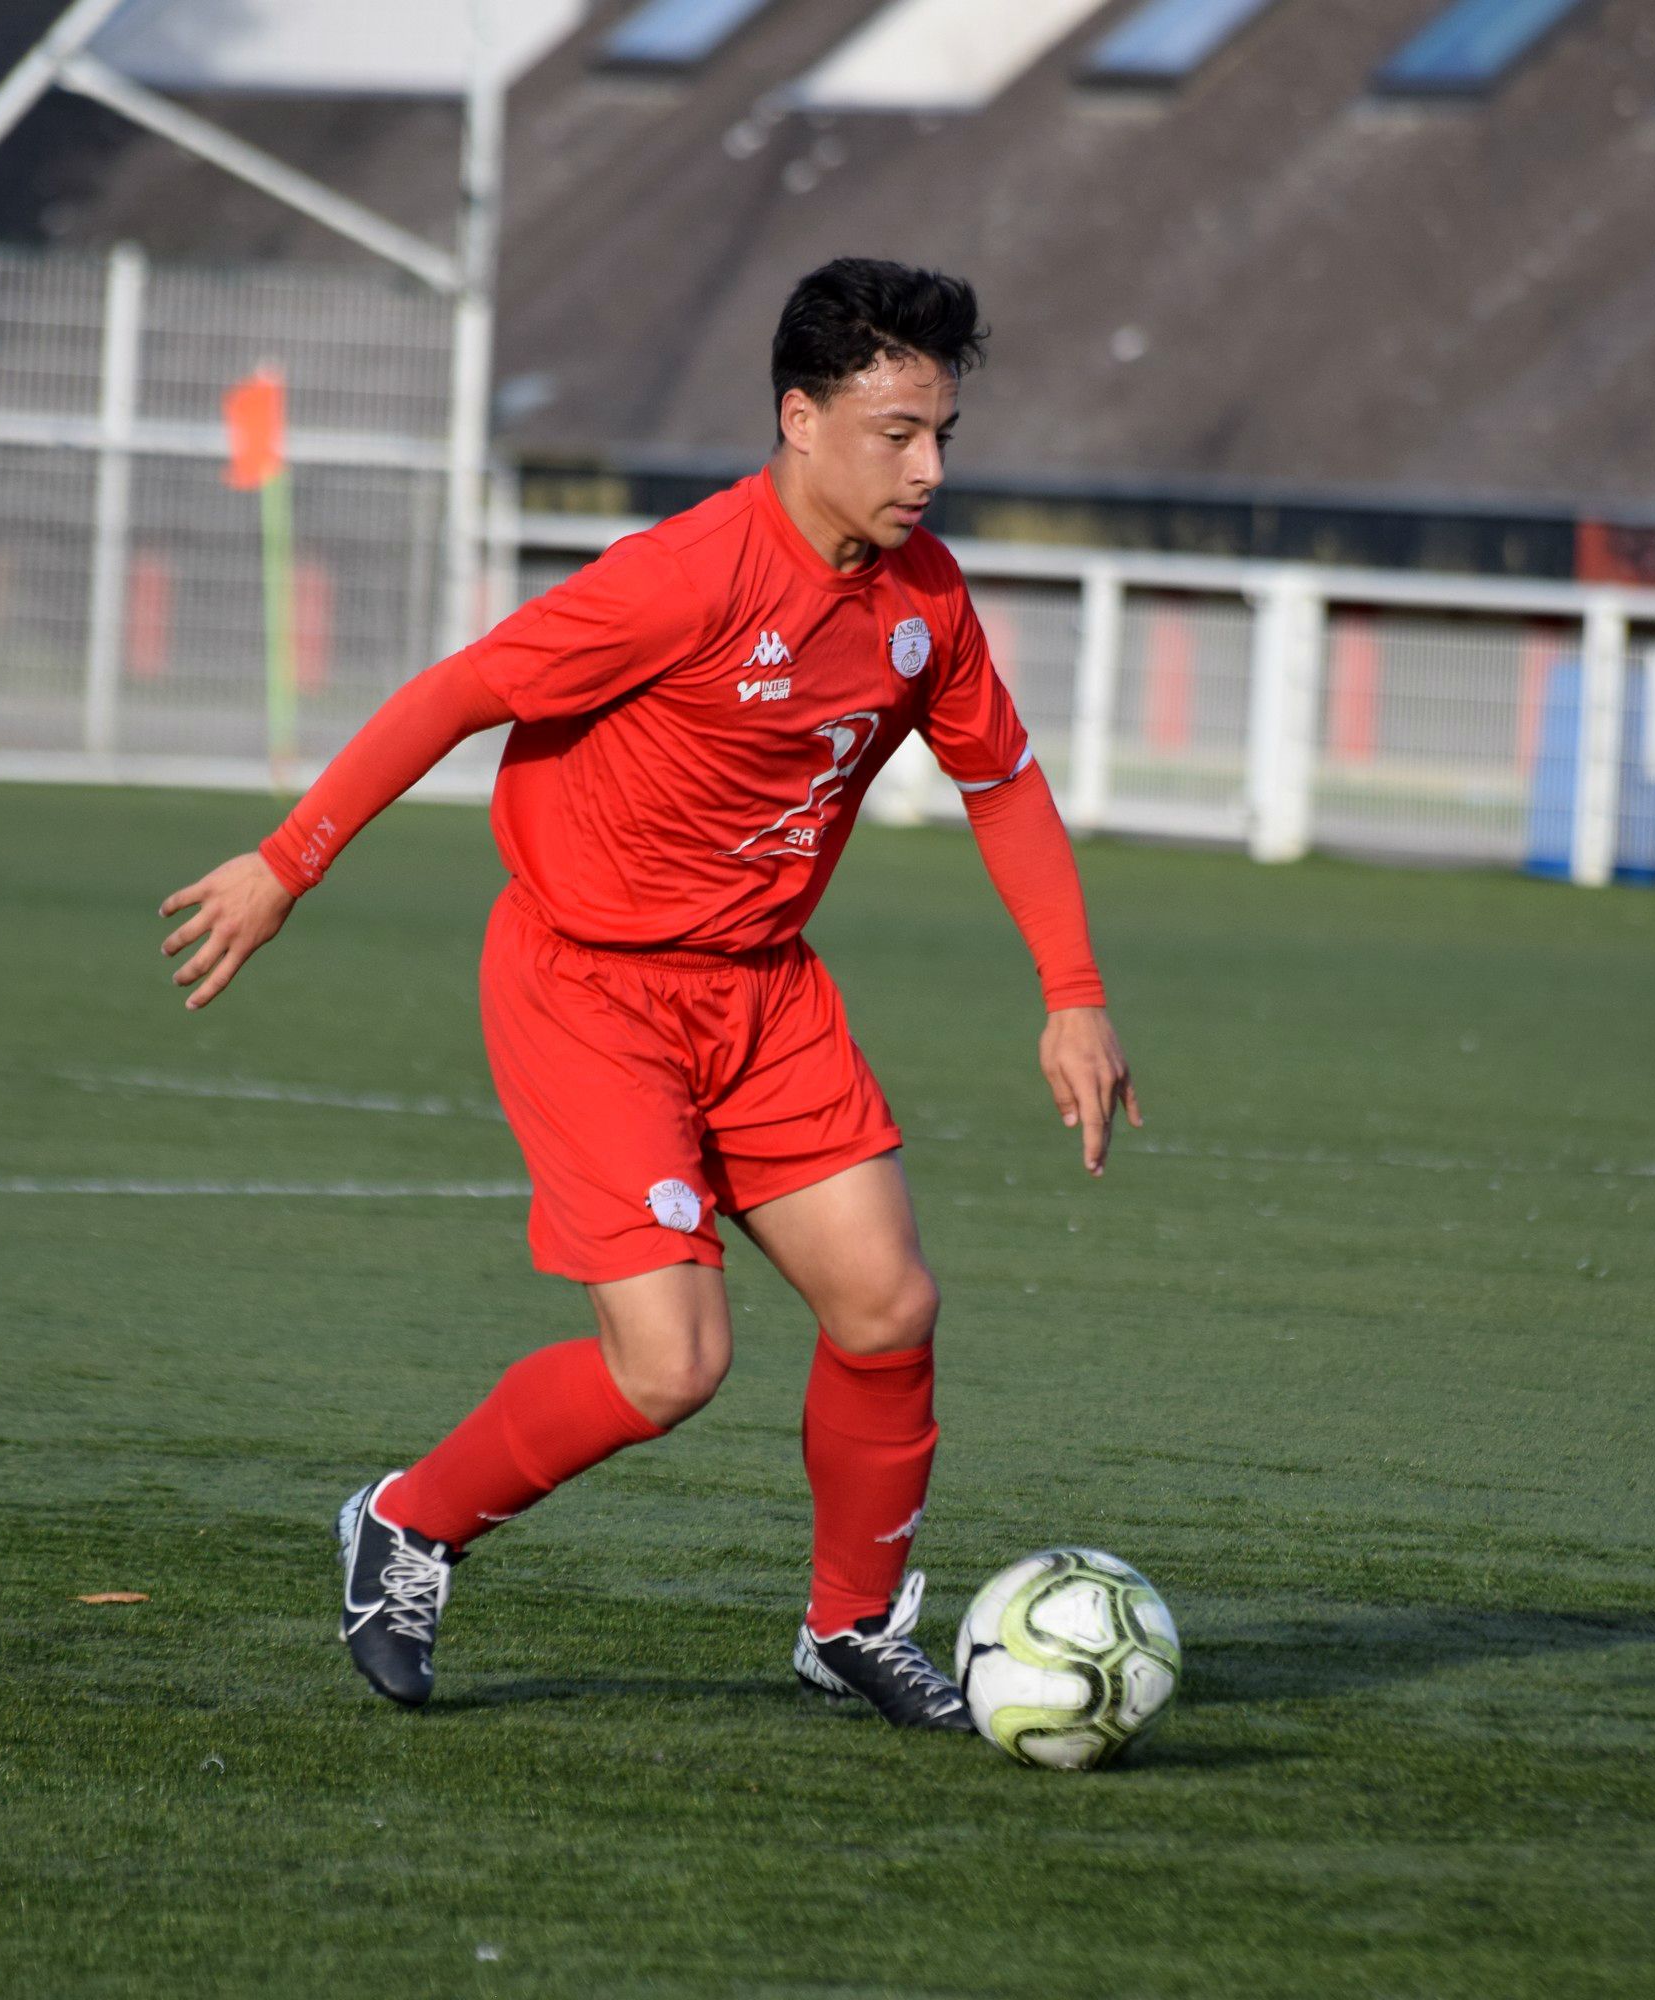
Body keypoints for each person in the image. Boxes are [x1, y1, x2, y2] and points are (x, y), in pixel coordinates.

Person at [155, 260, 1139, 1728]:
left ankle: (851, 1622)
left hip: (764, 994)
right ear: (800, 421)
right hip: (590, 989)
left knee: (887, 1303)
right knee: (673, 1364)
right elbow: (456, 693)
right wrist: (287, 865)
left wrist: (1074, 991)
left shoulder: (925, 598)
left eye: (943, 433)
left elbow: (1002, 784)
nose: (929, 468)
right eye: (896, 433)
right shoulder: (682, 579)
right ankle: (409, 1522)